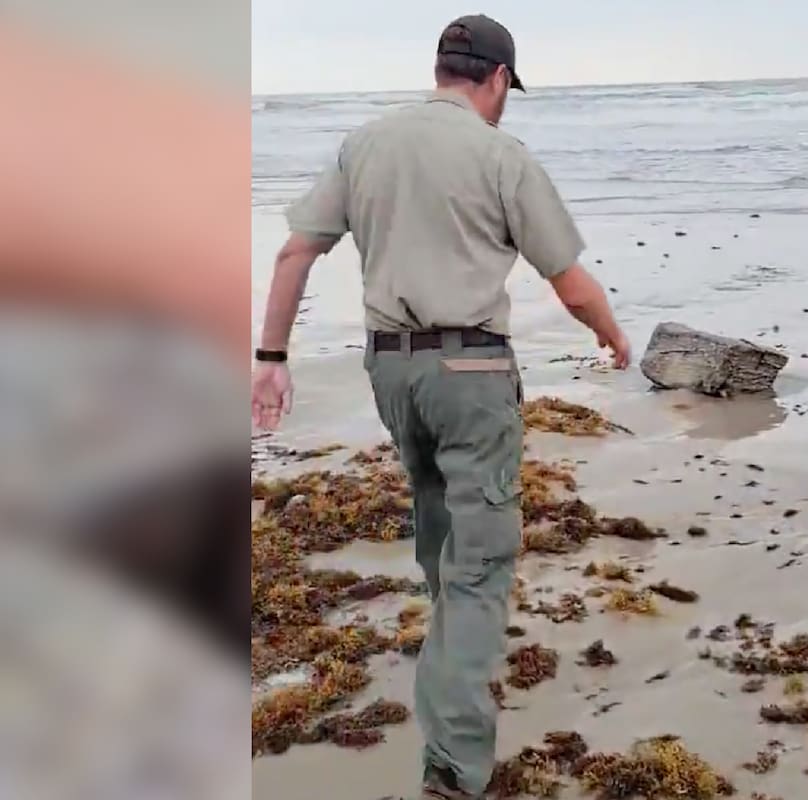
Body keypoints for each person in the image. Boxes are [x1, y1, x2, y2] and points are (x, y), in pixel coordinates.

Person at [250, 14, 631, 800]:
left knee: (442, 539)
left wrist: (271, 360)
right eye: (506, 91)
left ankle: (449, 674)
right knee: (480, 568)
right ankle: (454, 772)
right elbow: (569, 279)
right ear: (495, 79)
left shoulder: (367, 143)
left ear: (440, 70)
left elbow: (296, 251)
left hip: (391, 374)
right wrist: (613, 336)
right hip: (471, 371)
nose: (504, 103)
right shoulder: (499, 154)